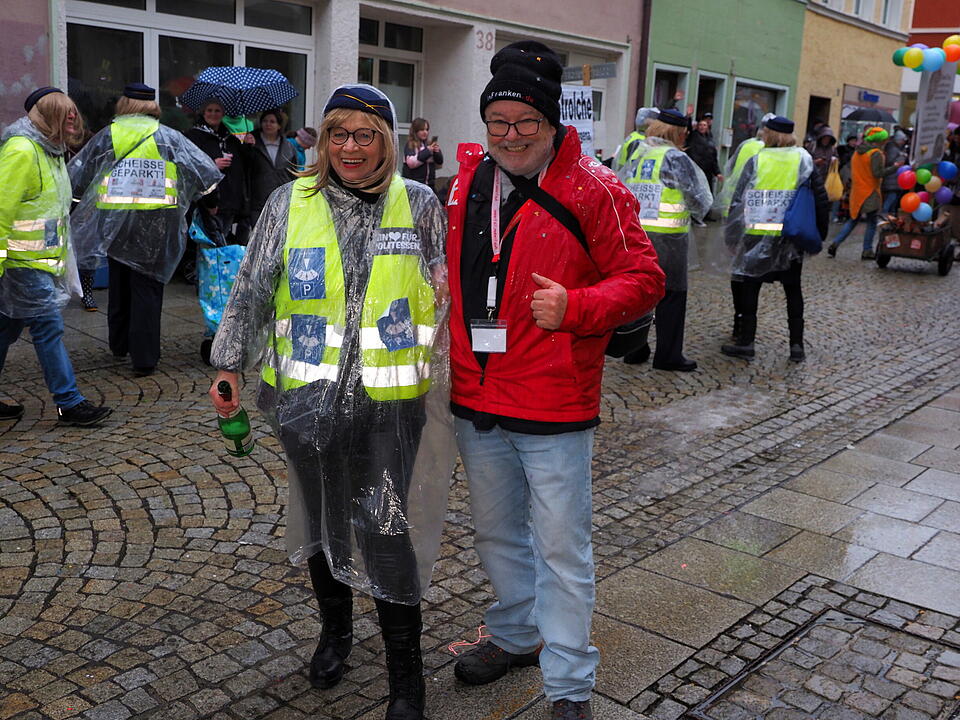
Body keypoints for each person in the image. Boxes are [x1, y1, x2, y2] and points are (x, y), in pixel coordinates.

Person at [207, 84, 454, 720]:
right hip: (305, 397)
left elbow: (443, 293)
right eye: (337, 133)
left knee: (385, 526)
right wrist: (228, 363)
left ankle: (406, 679)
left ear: (387, 141)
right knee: (322, 521)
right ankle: (336, 634)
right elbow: (253, 287)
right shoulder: (290, 201)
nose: (349, 147)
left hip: (390, 402)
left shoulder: (419, 203)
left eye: (364, 135)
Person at [446, 41, 665, 720]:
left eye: (526, 122)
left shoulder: (596, 189)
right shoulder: (466, 182)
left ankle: (569, 683)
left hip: (553, 400)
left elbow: (645, 278)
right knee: (495, 535)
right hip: (475, 395)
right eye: (498, 122)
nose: (511, 136)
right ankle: (516, 634)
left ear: (551, 122)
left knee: (562, 549)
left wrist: (576, 307)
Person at [68, 83, 222, 377]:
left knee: (120, 285)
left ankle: (119, 344)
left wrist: (76, 211)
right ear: (153, 106)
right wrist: (210, 204)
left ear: (124, 104)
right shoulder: (167, 137)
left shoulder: (108, 135)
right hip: (156, 224)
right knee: (147, 289)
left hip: (114, 224)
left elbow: (80, 175)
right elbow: (205, 173)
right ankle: (144, 358)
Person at [0, 88, 112, 426]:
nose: (73, 119)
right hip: (22, 264)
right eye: (65, 114)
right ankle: (69, 402)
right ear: (48, 116)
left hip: (40, 262)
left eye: (72, 113)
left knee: (5, 330)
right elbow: (1, 210)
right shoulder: (23, 150)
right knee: (49, 327)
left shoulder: (49, 151)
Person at [720, 115, 829, 362]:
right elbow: (820, 199)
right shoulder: (803, 159)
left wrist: (732, 236)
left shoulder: (757, 160)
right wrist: (818, 236)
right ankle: (796, 346)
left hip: (756, 235)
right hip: (790, 236)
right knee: (793, 289)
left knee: (750, 287)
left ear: (769, 135)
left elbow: (738, 201)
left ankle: (746, 342)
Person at [619, 109, 713, 371]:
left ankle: (634, 349)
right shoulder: (676, 158)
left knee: (639, 291)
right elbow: (700, 200)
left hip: (636, 235)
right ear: (679, 133)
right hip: (669, 238)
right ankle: (668, 356)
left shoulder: (638, 152)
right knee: (671, 295)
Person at [185, 99, 250, 243]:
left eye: (217, 111)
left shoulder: (230, 138)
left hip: (229, 200)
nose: (213, 114)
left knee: (223, 241)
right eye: (209, 110)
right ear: (203, 113)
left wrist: (247, 144)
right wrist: (212, 165)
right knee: (208, 243)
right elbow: (190, 165)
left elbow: (245, 164)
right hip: (204, 202)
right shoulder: (194, 136)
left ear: (223, 114)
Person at [827, 126, 889, 260]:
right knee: (871, 222)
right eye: (884, 139)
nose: (886, 142)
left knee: (853, 220)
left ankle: (835, 243)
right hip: (870, 192)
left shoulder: (857, 152)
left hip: (857, 192)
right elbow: (877, 173)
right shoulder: (875, 154)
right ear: (879, 140)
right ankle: (867, 250)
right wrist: (895, 168)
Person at [249, 108, 297, 227]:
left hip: (282, 199)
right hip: (258, 200)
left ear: (279, 126)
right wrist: (246, 147)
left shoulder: (288, 147)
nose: (268, 124)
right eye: (265, 121)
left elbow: (294, 173)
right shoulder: (252, 144)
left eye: (272, 121)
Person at [686, 118, 722, 224]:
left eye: (704, 125)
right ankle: (695, 216)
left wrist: (717, 172)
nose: (702, 127)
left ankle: (706, 215)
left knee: (707, 194)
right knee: (696, 194)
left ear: (707, 127)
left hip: (707, 172)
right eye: (700, 125)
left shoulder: (709, 139)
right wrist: (689, 117)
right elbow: (688, 128)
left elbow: (713, 158)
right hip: (696, 171)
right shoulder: (693, 136)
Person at [401, 117, 443, 191]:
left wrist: (437, 152)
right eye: (422, 130)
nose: (425, 132)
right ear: (415, 131)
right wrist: (428, 151)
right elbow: (411, 163)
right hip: (414, 186)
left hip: (429, 185)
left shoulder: (429, 144)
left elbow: (440, 162)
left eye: (427, 130)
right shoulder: (410, 145)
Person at [612, 107, 655, 172]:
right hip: (626, 174)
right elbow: (634, 164)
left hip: (621, 172)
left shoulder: (634, 135)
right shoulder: (639, 141)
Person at [880, 129, 908, 216]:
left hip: (895, 177)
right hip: (891, 176)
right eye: (902, 140)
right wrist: (899, 158)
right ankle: (884, 213)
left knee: (894, 198)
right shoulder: (892, 148)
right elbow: (889, 161)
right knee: (891, 197)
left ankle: (890, 214)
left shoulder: (899, 148)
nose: (903, 142)